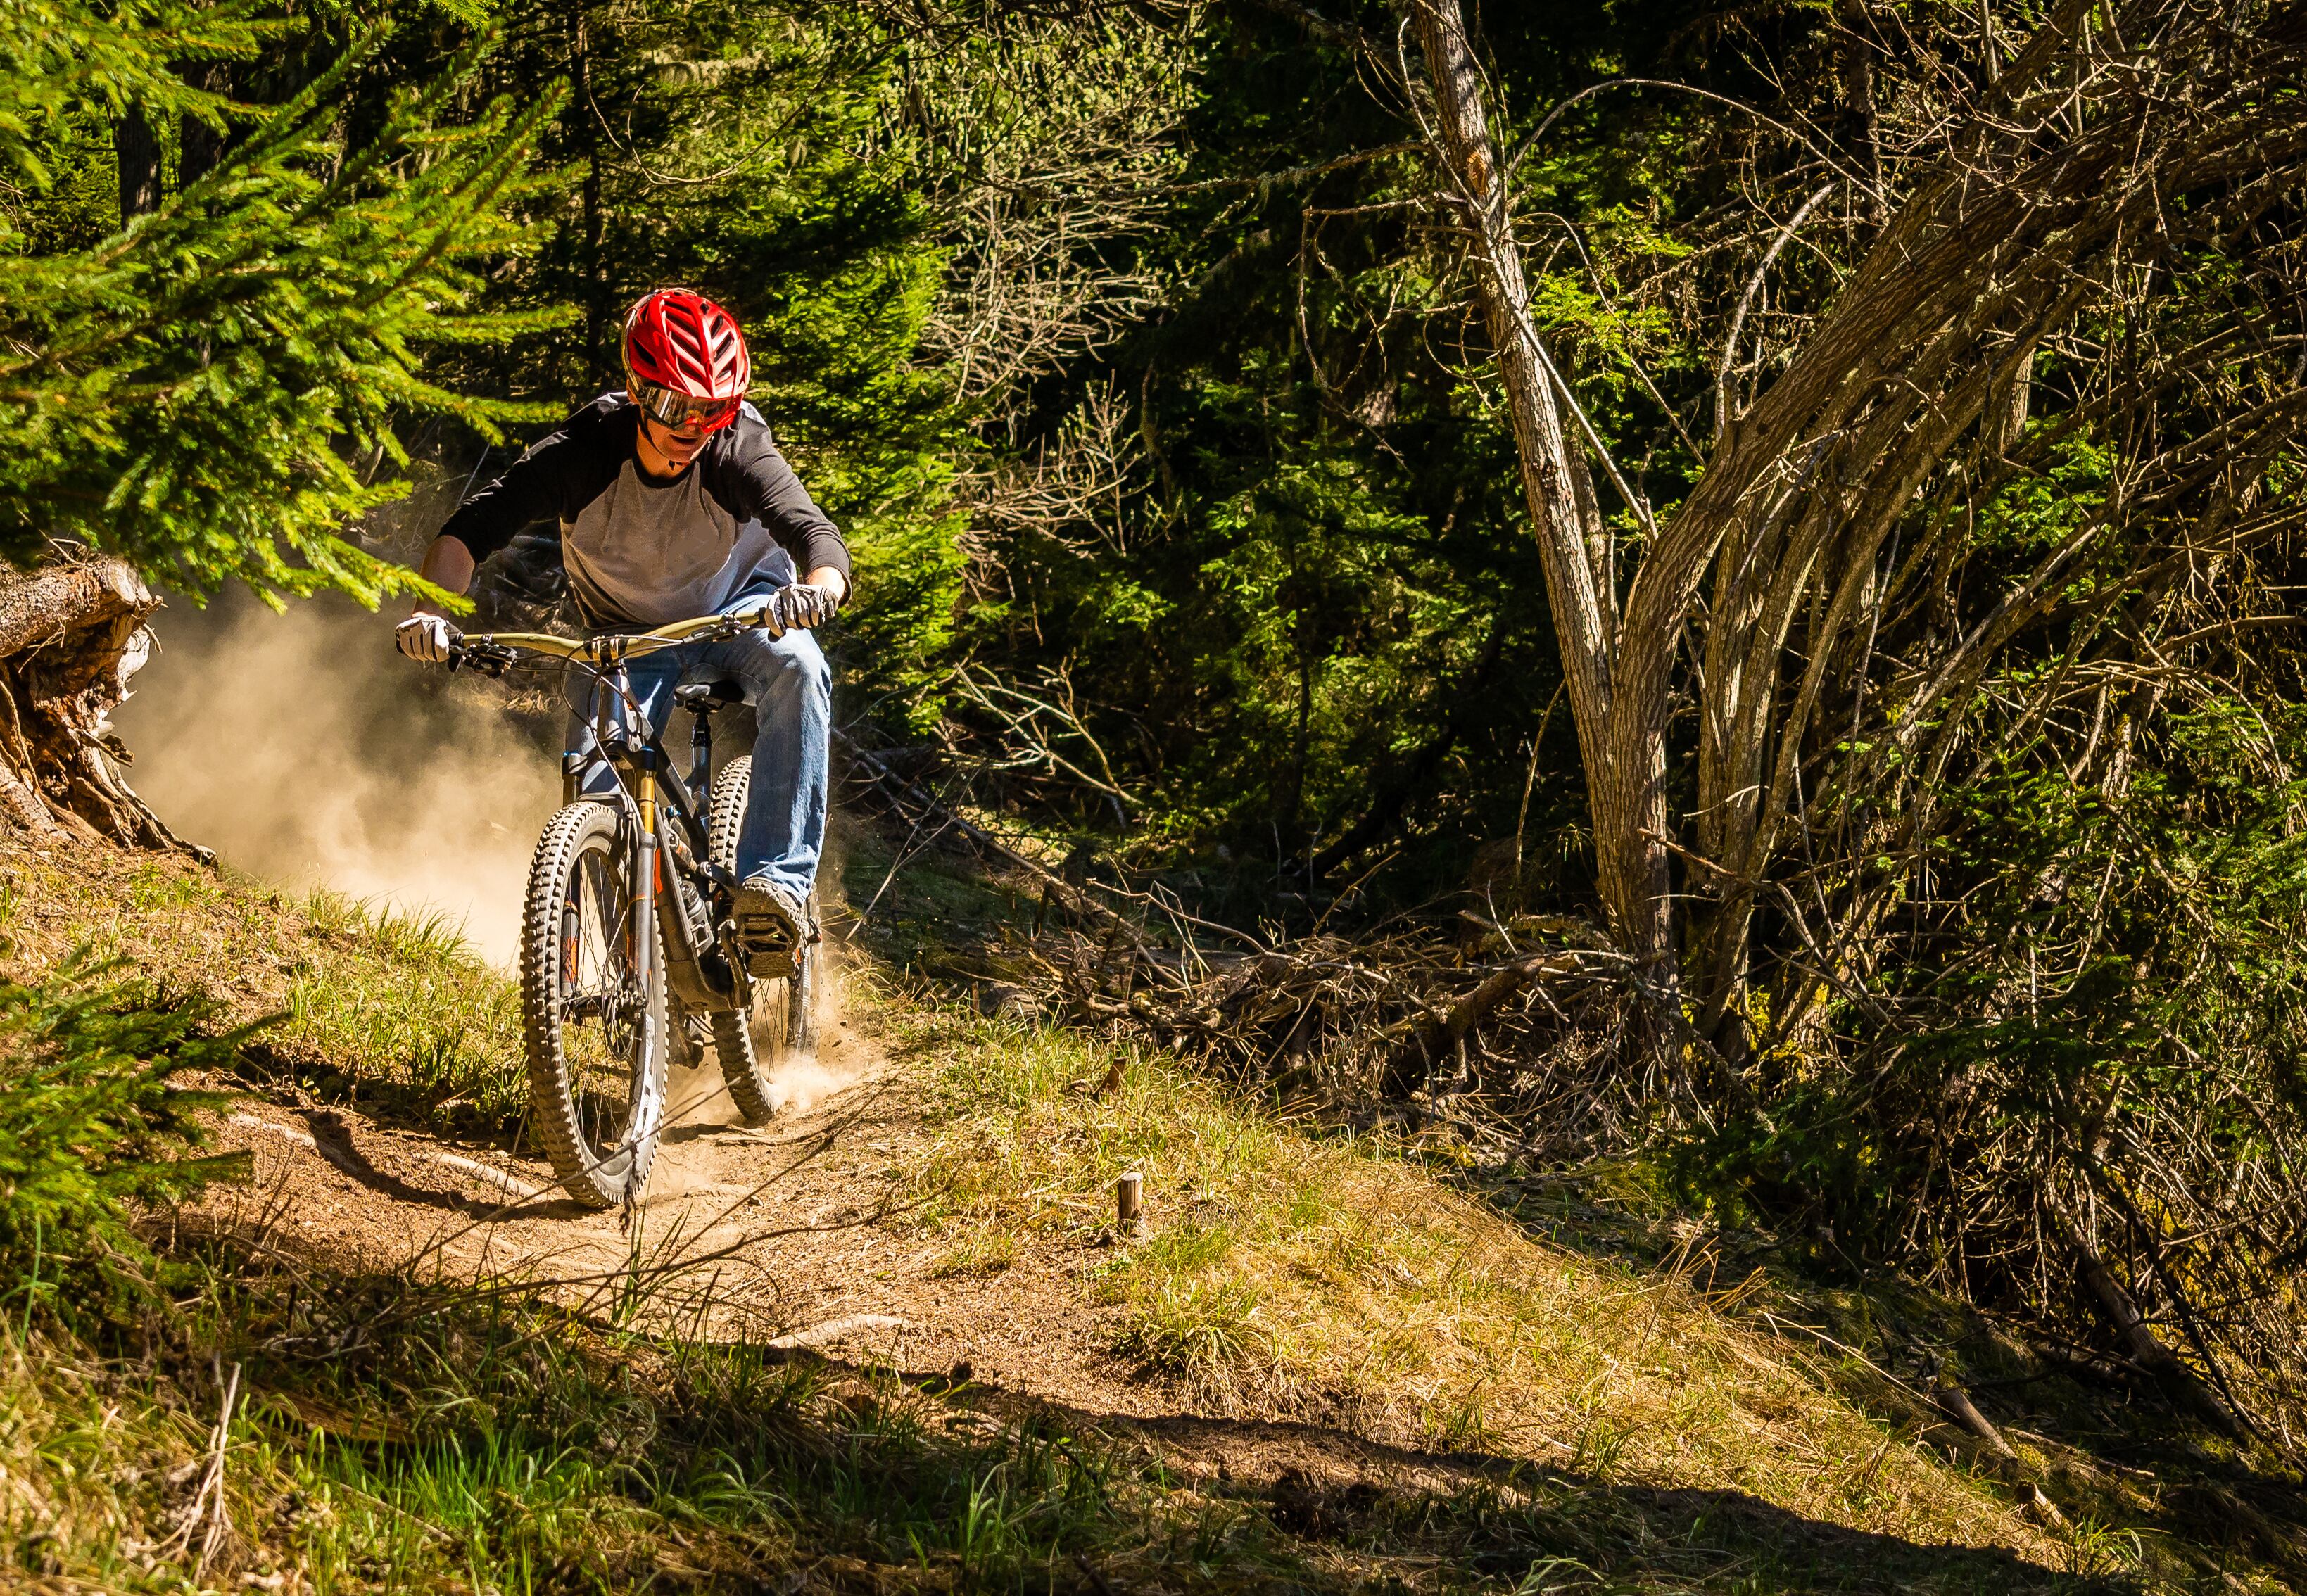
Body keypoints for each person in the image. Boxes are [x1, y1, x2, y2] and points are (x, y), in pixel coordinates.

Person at [396, 286, 849, 968]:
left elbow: (815, 535)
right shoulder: (584, 452)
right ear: (638, 392)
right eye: (672, 405)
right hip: (622, 632)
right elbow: (470, 532)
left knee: (802, 669)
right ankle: (631, 977)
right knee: (597, 789)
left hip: (736, 610)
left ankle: (774, 892)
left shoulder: (736, 449)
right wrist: (431, 612)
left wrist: (817, 591)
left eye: (709, 409)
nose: (690, 427)